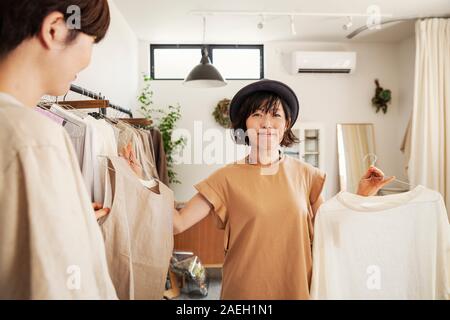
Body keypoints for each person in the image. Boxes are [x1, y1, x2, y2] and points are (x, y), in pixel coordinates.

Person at [168, 80, 395, 299]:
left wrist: (362, 194)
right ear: (244, 124)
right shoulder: (225, 178)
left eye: (275, 115)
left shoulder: (308, 175)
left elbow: (331, 232)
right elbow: (177, 223)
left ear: (286, 124)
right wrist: (142, 180)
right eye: (257, 114)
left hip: (295, 287)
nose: (266, 123)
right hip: (244, 290)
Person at [0, 0, 117, 299]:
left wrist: (70, 221)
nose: (88, 59)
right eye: (92, 41)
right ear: (55, 30)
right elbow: (63, 285)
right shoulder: (36, 138)